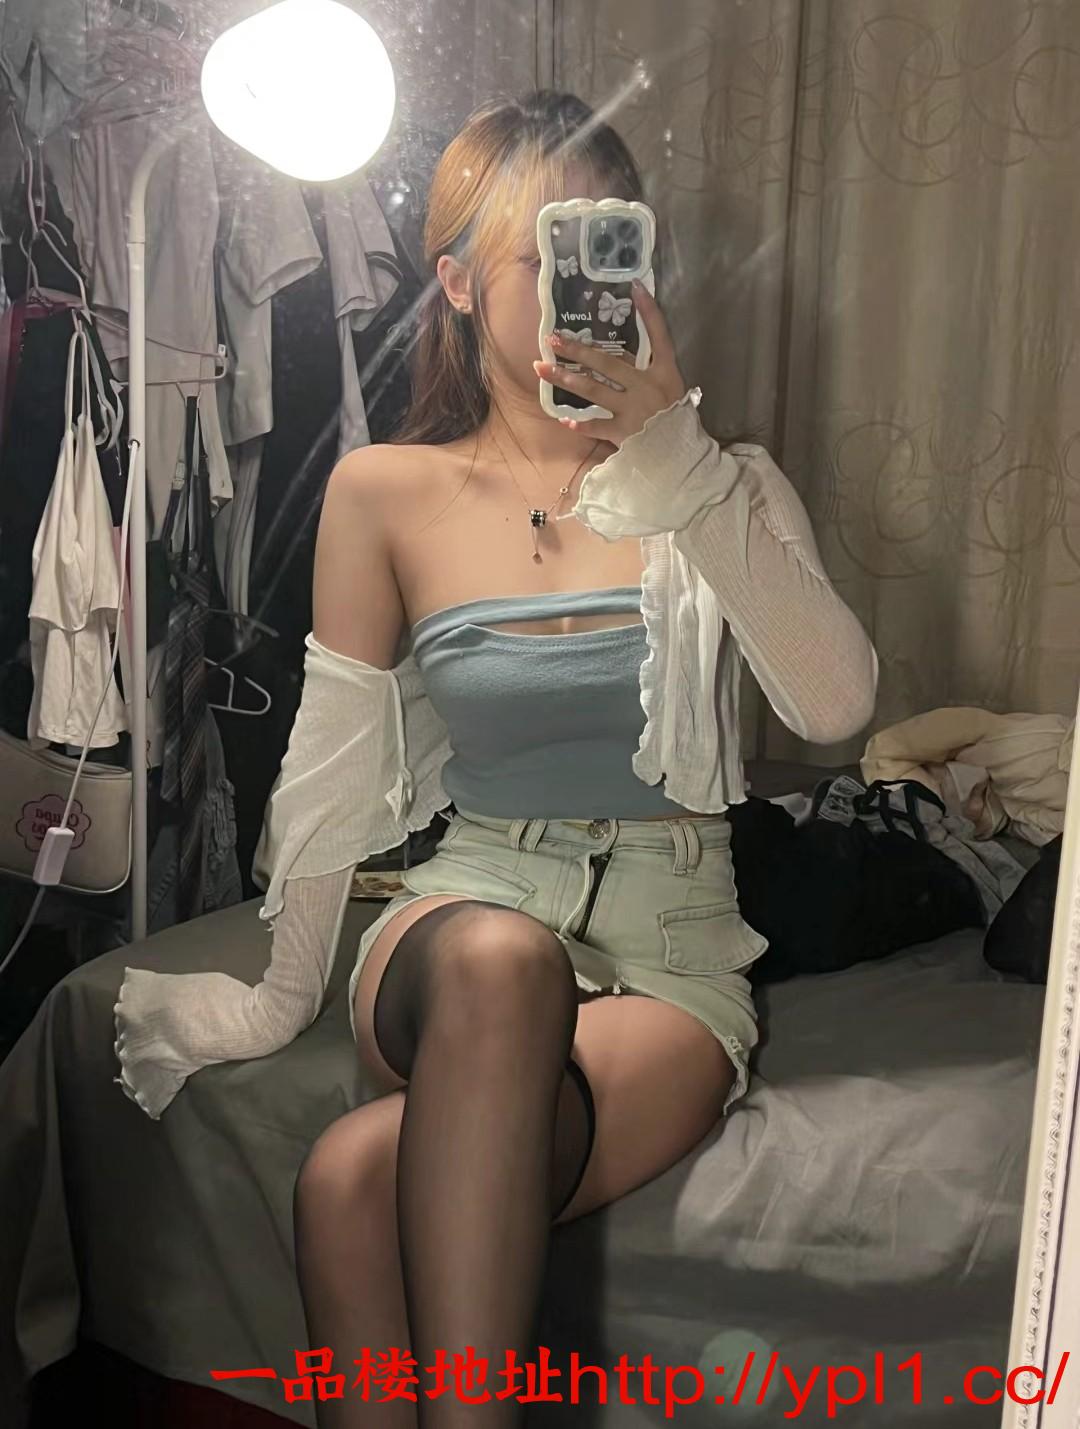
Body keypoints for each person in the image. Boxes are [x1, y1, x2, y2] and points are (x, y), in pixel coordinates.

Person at [113, 91, 878, 1427]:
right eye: (546, 254)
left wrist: (679, 461)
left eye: (615, 247)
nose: (591, 290)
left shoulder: (725, 485)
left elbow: (835, 705)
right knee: (500, 959)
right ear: (460, 282)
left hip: (673, 949)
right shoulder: (387, 492)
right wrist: (280, 993)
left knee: (350, 1181)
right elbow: (333, 767)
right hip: (465, 921)